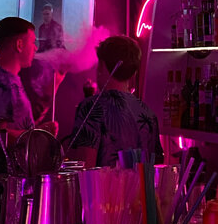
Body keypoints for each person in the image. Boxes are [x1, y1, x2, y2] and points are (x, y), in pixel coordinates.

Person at [68, 35, 163, 168]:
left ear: (101, 66)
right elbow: (156, 167)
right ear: (133, 73)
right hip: (141, 183)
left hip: (103, 182)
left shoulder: (91, 107)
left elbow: (84, 167)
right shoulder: (148, 113)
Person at [0, 17, 58, 144]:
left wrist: (40, 130)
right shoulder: (1, 84)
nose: (35, 48)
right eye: (32, 42)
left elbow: (21, 125)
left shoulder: (9, 80)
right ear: (19, 45)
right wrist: (37, 134)